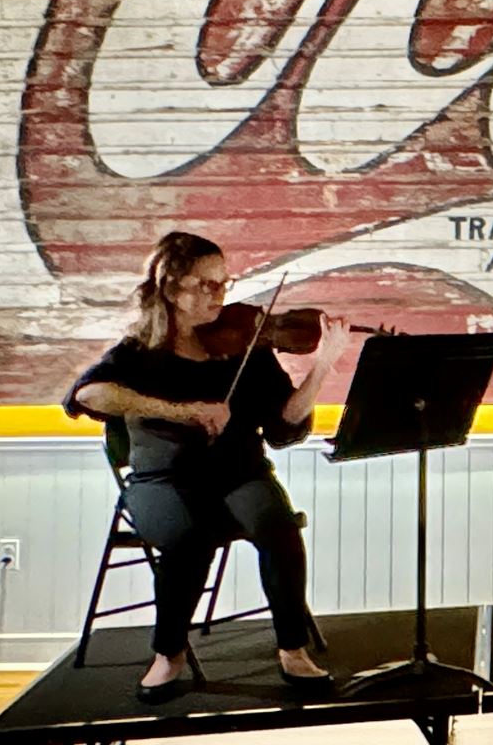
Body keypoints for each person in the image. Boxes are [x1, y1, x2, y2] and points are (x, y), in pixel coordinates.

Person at [66, 232, 349, 705]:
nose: (220, 295)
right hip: (162, 480)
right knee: (188, 539)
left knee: (279, 528)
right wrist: (182, 412)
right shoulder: (140, 353)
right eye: (206, 284)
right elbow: (87, 394)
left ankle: (292, 649)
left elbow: (284, 425)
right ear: (171, 289)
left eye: (224, 282)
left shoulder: (245, 346)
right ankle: (169, 653)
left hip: (238, 471)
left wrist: (321, 367)